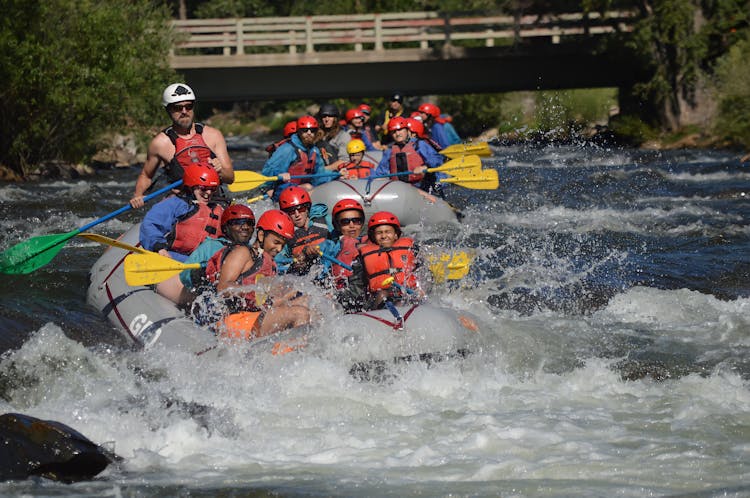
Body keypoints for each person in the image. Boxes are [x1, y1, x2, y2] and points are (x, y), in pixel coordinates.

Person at [200, 209, 311, 339]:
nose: (279, 249)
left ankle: (293, 351)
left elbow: (264, 303)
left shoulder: (270, 264)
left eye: (283, 245)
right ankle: (292, 355)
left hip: (252, 318)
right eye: (276, 242)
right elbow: (223, 288)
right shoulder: (243, 253)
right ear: (261, 235)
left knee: (306, 302)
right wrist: (254, 290)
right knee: (299, 313)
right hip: (233, 321)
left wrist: (286, 297)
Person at [130, 83, 234, 208]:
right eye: (178, 108)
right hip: (182, 203)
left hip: (213, 200)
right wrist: (138, 195)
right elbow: (146, 175)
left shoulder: (213, 136)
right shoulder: (160, 143)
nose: (184, 112)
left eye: (188, 106)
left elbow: (230, 177)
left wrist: (220, 170)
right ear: (168, 110)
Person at [139, 163, 224, 302]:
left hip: (201, 267)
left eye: (212, 189)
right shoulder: (175, 204)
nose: (208, 193)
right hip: (172, 260)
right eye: (203, 188)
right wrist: (159, 247)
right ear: (191, 186)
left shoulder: (219, 210)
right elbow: (150, 224)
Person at [179, 203, 256, 294]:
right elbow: (184, 274)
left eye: (250, 223)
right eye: (238, 223)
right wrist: (199, 274)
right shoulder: (210, 246)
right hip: (210, 296)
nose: (245, 227)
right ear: (225, 228)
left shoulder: (253, 252)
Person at [359, 211, 424, 310]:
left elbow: (424, 271)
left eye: (388, 232)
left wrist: (421, 288)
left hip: (407, 293)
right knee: (383, 295)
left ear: (396, 235)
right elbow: (357, 283)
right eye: (379, 233)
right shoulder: (363, 256)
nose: (384, 236)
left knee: (415, 295)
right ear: (373, 236)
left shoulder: (411, 249)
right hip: (379, 298)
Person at [374, 116, 446, 197]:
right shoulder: (390, 151)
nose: (397, 134)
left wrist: (424, 167)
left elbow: (438, 161)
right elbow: (379, 173)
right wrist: (377, 180)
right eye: (394, 132)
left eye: (400, 130)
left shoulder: (419, 145)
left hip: (423, 188)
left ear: (407, 130)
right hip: (400, 191)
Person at [261, 115, 329, 200]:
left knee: (313, 187)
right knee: (308, 187)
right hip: (282, 189)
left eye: (312, 130)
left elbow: (321, 176)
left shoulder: (314, 151)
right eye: (305, 130)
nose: (309, 133)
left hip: (304, 189)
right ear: (299, 132)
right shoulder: (287, 149)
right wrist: (268, 187)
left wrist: (337, 175)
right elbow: (268, 171)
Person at [318, 198, 368, 312]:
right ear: (336, 225)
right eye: (345, 222)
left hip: (365, 294)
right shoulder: (330, 246)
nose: (352, 225)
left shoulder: (372, 241)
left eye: (356, 221)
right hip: (341, 296)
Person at [275, 186, 333, 275]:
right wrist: (293, 264)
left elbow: (339, 243)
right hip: (305, 278)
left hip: (330, 268)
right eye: (291, 211)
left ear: (307, 208)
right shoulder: (285, 235)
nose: (297, 215)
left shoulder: (326, 220)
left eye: (301, 209)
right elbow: (278, 262)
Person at [316, 103, 350, 170]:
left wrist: (323, 170)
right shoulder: (316, 134)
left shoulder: (343, 136)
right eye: (324, 116)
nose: (327, 119)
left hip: (336, 174)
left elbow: (344, 161)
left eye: (330, 116)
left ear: (336, 118)